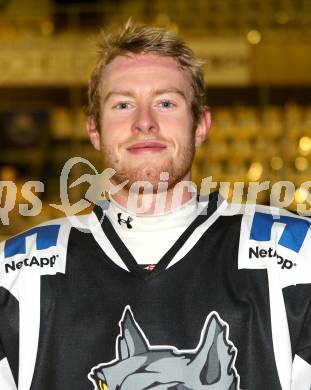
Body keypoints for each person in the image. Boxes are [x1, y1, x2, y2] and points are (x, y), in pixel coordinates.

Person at [1, 20, 311, 390]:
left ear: (200, 124)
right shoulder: (16, 273)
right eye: (123, 104)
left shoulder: (295, 257)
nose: (144, 122)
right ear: (94, 129)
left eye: (166, 103)